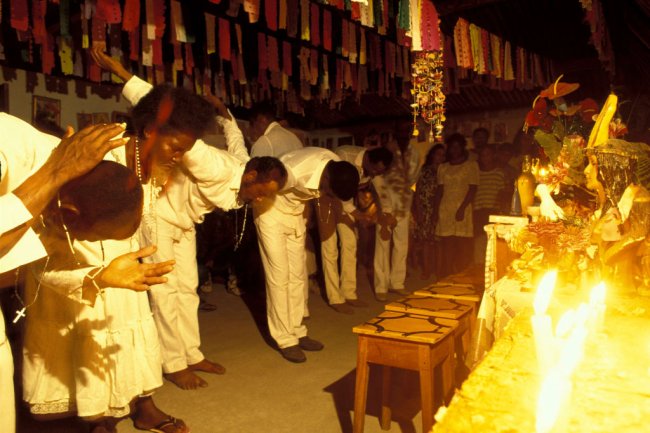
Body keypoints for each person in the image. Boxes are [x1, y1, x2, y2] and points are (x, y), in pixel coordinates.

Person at [91, 47, 287, 390]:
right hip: (159, 215)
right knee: (165, 291)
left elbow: (236, 139)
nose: (264, 199)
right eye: (264, 192)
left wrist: (225, 114)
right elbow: (169, 118)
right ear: (252, 178)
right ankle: (172, 363)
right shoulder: (211, 166)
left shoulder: (245, 166)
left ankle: (192, 353)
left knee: (188, 289)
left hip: (184, 223)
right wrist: (122, 74)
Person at [22, 161, 181, 433]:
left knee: (131, 340)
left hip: (123, 280)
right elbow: (43, 271)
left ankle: (145, 405)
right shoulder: (49, 218)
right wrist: (97, 278)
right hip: (77, 295)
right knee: (89, 355)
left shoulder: (116, 189)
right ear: (69, 217)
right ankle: (97, 419)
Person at [0, 114, 129, 433]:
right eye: (87, 239)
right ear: (67, 215)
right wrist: (56, 171)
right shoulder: (10, 149)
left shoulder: (49, 166)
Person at [255, 147, 360, 362]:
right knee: (279, 277)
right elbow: (264, 182)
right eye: (328, 191)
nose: (326, 196)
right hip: (271, 212)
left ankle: (297, 330)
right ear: (326, 177)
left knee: (298, 275)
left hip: (295, 215)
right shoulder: (293, 173)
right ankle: (285, 339)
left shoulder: (335, 164)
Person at [318, 145, 393, 314]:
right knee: (330, 247)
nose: (374, 174)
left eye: (378, 172)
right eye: (374, 169)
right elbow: (337, 187)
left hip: (346, 202)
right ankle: (335, 298)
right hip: (327, 198)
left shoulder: (374, 168)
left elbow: (382, 190)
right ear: (367, 159)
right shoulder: (344, 155)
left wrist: (386, 213)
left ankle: (349, 293)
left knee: (350, 243)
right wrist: (357, 214)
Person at [372, 120, 420, 301]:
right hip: (386, 201)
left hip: (404, 202)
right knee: (383, 243)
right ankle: (381, 286)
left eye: (407, 130)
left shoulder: (414, 152)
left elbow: (413, 177)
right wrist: (384, 208)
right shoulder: (387, 150)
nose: (404, 133)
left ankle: (397, 283)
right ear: (395, 131)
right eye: (401, 130)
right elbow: (378, 178)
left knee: (401, 244)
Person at [433, 133, 479, 277]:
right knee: (447, 244)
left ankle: (460, 274)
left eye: (458, 147)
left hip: (462, 209)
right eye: (452, 147)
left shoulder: (471, 166)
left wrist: (462, 208)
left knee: (461, 245)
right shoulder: (443, 167)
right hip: (446, 209)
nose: (454, 150)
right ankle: (445, 274)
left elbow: (473, 189)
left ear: (462, 148)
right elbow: (440, 190)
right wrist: (435, 211)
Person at [411, 144, 445, 280]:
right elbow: (418, 191)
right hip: (425, 209)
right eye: (438, 154)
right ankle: (426, 269)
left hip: (442, 208)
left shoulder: (445, 170)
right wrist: (418, 209)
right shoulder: (424, 170)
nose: (440, 157)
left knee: (438, 242)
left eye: (443, 155)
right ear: (432, 155)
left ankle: (439, 269)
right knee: (426, 241)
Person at [473, 145, 507, 264]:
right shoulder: (476, 173)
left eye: (488, 155)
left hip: (492, 210)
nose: (485, 158)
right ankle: (479, 265)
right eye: (483, 155)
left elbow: (501, 192)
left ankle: (491, 265)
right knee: (478, 240)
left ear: (493, 156)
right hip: (478, 209)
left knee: (490, 239)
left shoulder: (499, 173)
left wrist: (498, 207)